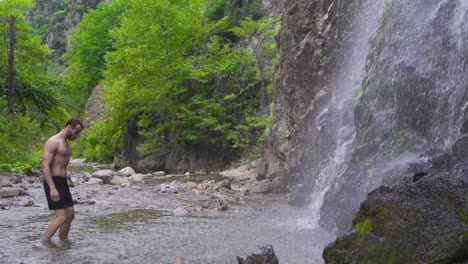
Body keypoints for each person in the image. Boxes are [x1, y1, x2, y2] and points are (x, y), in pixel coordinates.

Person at [41, 119, 83, 242]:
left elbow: (62, 165)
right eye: (76, 132)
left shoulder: (67, 144)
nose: (77, 135)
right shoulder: (53, 142)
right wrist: (52, 188)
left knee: (70, 215)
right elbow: (45, 166)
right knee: (61, 217)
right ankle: (43, 243)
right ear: (69, 127)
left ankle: (63, 242)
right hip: (53, 181)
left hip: (63, 182)